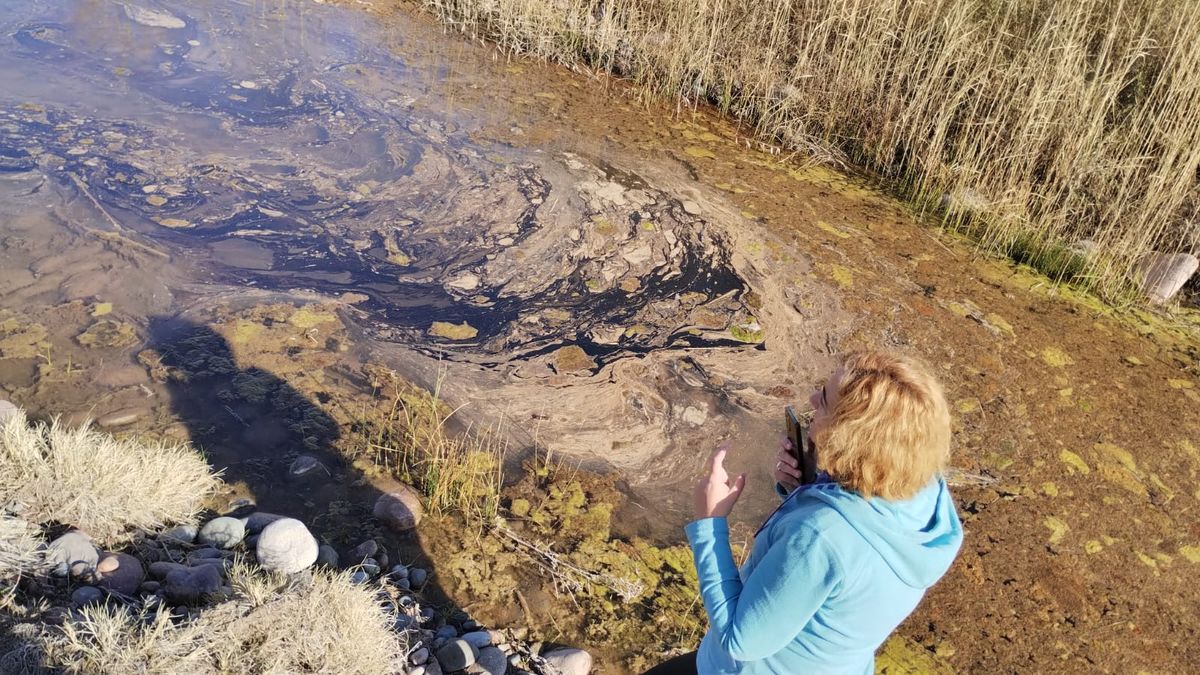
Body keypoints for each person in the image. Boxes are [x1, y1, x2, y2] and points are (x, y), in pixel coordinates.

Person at [645, 351, 963, 674]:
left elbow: (739, 639)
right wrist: (814, 483)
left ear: (847, 436)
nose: (811, 400)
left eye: (824, 401)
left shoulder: (821, 537)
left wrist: (710, 522)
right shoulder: (927, 498)